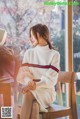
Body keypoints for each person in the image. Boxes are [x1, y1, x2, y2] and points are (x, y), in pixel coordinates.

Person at [17, 24, 60, 119]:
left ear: (39, 35)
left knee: (28, 94)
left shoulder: (54, 54)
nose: (30, 38)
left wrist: (34, 85)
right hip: (31, 89)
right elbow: (24, 73)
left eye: (32, 36)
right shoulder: (29, 53)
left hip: (46, 92)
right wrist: (29, 82)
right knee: (35, 107)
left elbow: (51, 79)